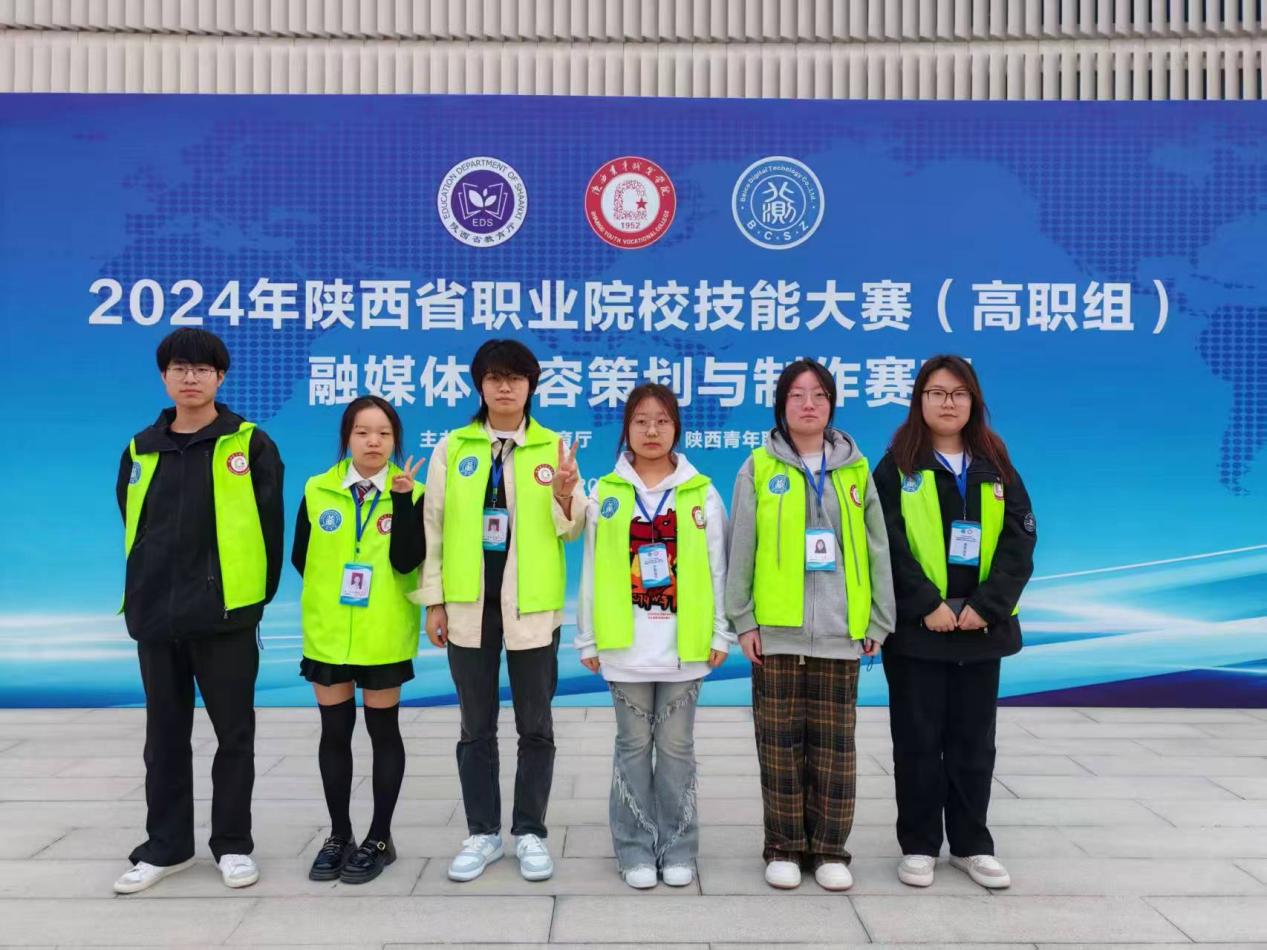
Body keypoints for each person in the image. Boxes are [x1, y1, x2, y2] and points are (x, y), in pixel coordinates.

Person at [113, 328, 284, 894]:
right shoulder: (140, 448)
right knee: (163, 737)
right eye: (179, 368)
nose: (191, 378)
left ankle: (232, 845)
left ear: (220, 377)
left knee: (234, 735)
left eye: (202, 369)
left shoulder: (249, 444)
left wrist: (250, 602)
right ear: (164, 377)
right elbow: (133, 523)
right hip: (157, 618)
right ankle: (166, 847)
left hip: (225, 617)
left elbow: (270, 528)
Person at [414, 339, 586, 883]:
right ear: (480, 385)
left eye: (515, 377)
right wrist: (434, 600)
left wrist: (565, 494)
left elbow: (573, 528)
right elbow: (433, 526)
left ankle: (530, 831)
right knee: (476, 726)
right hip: (469, 605)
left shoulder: (553, 447)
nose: (505, 387)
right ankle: (483, 832)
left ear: (531, 386)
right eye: (494, 377)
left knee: (536, 725)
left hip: (531, 607)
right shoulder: (454, 447)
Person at [725, 358, 895, 892]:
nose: (808, 404)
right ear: (781, 405)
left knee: (835, 749)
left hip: (842, 631)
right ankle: (782, 846)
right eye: (797, 395)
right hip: (776, 632)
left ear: (831, 405)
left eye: (819, 395)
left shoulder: (855, 470)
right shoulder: (758, 466)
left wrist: (879, 619)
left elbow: (877, 548)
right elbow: (741, 547)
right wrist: (743, 619)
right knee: (778, 745)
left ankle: (829, 850)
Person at [873, 355, 1036, 891]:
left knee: (974, 743)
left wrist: (985, 606)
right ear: (919, 400)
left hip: (979, 630)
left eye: (959, 393)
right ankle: (919, 845)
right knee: (917, 742)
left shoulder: (996, 462)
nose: (948, 403)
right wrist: (927, 604)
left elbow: (1020, 539)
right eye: (937, 393)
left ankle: (971, 844)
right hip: (919, 631)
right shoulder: (897, 466)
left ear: (974, 402)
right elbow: (885, 545)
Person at [575, 383, 733, 890]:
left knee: (678, 749)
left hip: (685, 646)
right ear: (626, 429)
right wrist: (587, 638)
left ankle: (679, 847)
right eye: (641, 420)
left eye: (662, 420)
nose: (651, 430)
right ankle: (634, 849)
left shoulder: (701, 492)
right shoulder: (606, 493)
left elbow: (719, 566)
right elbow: (590, 568)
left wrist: (721, 631)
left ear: (676, 429)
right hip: (624, 646)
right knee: (632, 747)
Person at [291, 396, 425, 884]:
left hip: (383, 633)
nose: (373, 442)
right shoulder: (318, 488)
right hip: (328, 634)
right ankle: (339, 835)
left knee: (383, 732)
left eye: (384, 434)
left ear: (396, 441)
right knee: (334, 733)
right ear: (347, 437)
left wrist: (404, 500)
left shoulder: (413, 492)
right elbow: (301, 556)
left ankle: (380, 838)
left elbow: (408, 560)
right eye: (363, 432)